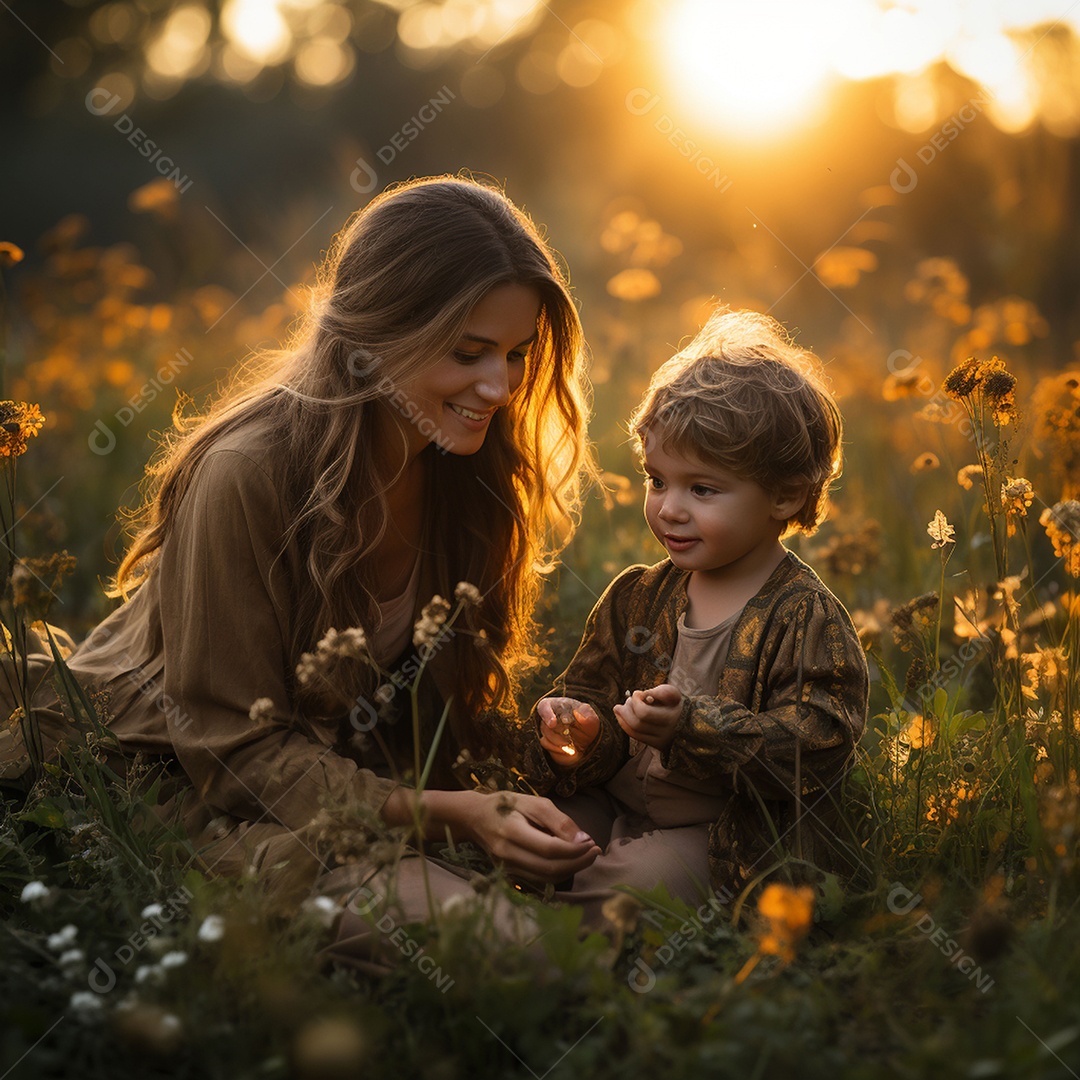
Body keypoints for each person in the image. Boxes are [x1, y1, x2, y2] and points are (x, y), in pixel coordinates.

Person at [6, 175, 604, 949]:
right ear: (375, 333)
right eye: (468, 352)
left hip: (352, 779)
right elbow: (236, 756)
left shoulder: (471, 471)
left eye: (518, 354)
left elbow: (436, 720)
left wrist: (543, 757)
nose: (499, 387)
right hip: (177, 781)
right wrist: (452, 817)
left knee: (595, 875)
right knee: (497, 946)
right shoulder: (247, 473)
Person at [519, 307, 869, 924]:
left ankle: (547, 944)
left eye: (702, 490)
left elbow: (820, 743)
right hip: (620, 800)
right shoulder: (638, 596)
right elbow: (588, 694)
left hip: (725, 838)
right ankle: (529, 906)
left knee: (632, 885)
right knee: (537, 832)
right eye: (658, 481)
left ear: (784, 495)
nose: (669, 509)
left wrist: (693, 727)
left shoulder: (805, 617)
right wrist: (579, 729)